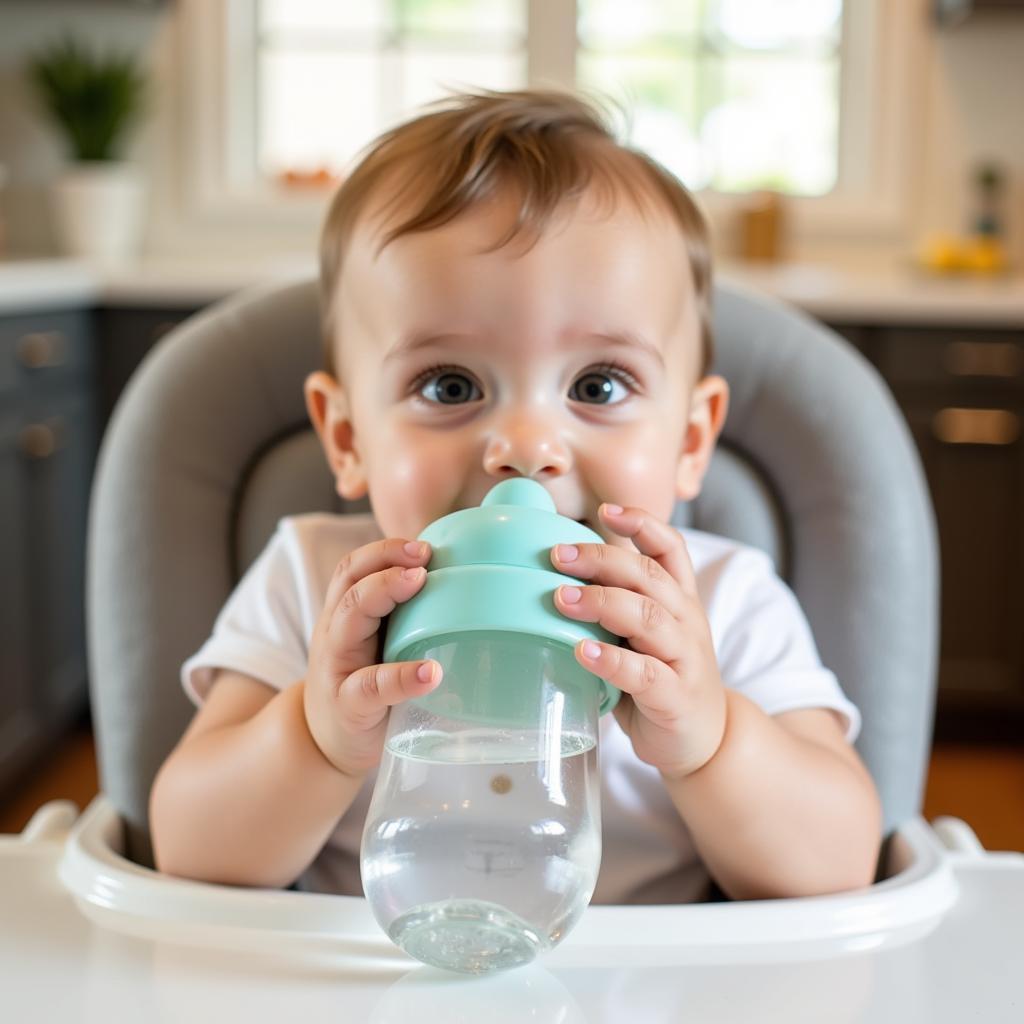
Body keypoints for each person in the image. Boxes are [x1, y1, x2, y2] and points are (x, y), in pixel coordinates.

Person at [149, 88, 882, 904]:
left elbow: (843, 864)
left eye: (599, 385)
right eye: (451, 383)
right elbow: (186, 852)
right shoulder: (315, 585)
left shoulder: (721, 605)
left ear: (689, 439)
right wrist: (319, 737)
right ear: (349, 438)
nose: (528, 447)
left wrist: (708, 742)